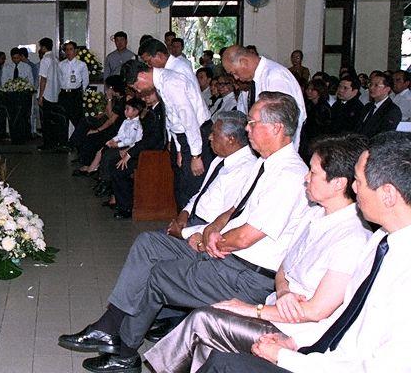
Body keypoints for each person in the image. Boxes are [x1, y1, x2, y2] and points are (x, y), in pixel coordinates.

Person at [60, 92, 312, 373]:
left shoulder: (288, 174)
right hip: (227, 254)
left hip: (246, 274)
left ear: (276, 128)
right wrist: (213, 230)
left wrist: (210, 241)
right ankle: (112, 325)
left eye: (252, 123)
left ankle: (125, 353)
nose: (247, 129)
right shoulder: (266, 164)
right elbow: (233, 210)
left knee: (158, 276)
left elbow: (245, 237)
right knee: (149, 245)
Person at [146, 134, 371, 373]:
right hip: (276, 310)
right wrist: (284, 292)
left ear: (338, 183)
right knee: (209, 327)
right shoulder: (314, 214)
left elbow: (315, 312)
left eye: (313, 173)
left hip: (296, 333)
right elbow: (284, 266)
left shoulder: (352, 237)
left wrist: (251, 309)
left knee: (203, 320)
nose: (306, 178)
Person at [193, 131, 411, 373]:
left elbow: (379, 367)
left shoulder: (388, 259)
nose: (353, 188)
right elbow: (344, 316)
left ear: (388, 195)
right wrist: (294, 343)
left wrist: (287, 357)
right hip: (318, 347)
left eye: (358, 181)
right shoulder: (382, 241)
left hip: (330, 364)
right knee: (218, 360)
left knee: (218, 356)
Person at [137, 39, 213, 211]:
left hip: (195, 131)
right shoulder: (165, 73)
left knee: (192, 186)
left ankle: (190, 229)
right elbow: (171, 112)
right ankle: (182, 223)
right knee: (180, 182)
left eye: (149, 61)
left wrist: (195, 155)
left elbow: (188, 116)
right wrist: (176, 144)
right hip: (182, 135)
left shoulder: (177, 70)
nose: (149, 66)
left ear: (160, 55)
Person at [165, 110, 258, 237]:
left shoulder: (244, 169)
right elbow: (202, 192)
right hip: (193, 220)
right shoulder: (219, 160)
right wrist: (185, 212)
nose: (209, 137)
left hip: (206, 231)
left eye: (214, 134)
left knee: (147, 242)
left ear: (231, 139)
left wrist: (184, 233)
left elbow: (228, 221)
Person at [222, 45, 306, 149]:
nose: (235, 77)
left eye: (234, 72)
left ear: (244, 62)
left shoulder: (274, 77)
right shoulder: (259, 77)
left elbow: (281, 124)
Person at [106, 89, 166, 219]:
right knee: (114, 163)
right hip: (144, 151)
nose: (146, 97)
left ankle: (126, 206)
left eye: (150, 94)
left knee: (119, 168)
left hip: (152, 155)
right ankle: (122, 201)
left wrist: (130, 153)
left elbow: (152, 140)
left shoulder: (159, 112)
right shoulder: (152, 111)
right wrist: (129, 150)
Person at [80, 98, 145, 175]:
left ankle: (104, 178)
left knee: (107, 155)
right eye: (125, 109)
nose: (125, 111)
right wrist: (112, 140)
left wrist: (117, 144)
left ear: (135, 111)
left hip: (130, 147)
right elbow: (120, 135)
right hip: (123, 143)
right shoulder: (126, 121)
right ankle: (93, 170)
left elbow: (131, 140)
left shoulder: (136, 124)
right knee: (102, 149)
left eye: (127, 109)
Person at [58, 41, 89, 143]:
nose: (68, 52)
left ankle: (79, 142)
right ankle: (63, 142)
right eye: (66, 49)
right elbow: (59, 79)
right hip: (64, 94)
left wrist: (82, 94)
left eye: (71, 49)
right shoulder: (61, 64)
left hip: (75, 94)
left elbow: (85, 81)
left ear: (75, 51)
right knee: (62, 119)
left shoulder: (81, 65)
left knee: (77, 119)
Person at [356, 72, 401, 138]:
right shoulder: (368, 106)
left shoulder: (392, 110)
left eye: (376, 85)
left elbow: (384, 135)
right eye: (370, 84)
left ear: (387, 89)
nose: (371, 88)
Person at [37, 37, 62, 151]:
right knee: (53, 121)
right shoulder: (55, 59)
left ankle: (47, 144)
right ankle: (54, 142)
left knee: (45, 121)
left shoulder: (45, 59)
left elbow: (43, 79)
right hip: (55, 93)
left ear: (43, 47)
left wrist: (40, 95)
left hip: (46, 94)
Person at [299, 79, 332, 163]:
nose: (308, 92)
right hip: (306, 141)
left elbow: (324, 129)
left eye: (312, 90)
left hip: (317, 142)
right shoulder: (307, 105)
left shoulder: (324, 108)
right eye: (308, 89)